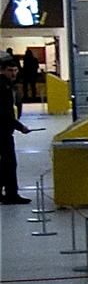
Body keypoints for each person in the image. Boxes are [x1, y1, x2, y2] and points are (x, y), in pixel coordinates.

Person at [0, 58, 31, 204]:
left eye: (15, 70)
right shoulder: (3, 87)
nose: (13, 73)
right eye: (10, 70)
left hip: (5, 129)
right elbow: (3, 113)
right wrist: (20, 127)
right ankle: (11, 194)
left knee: (5, 163)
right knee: (9, 163)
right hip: (2, 131)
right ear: (2, 70)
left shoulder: (8, 86)